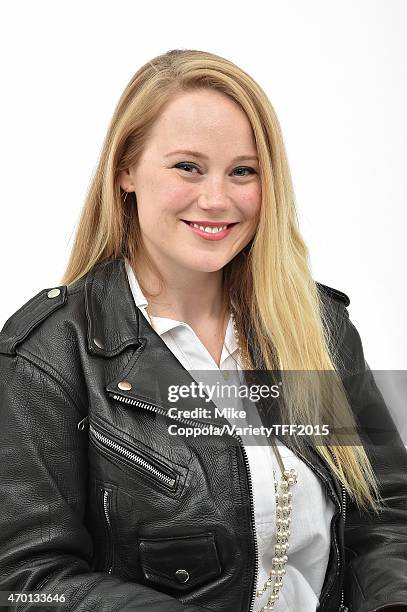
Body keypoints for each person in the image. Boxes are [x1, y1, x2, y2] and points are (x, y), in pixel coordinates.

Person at [0, 49, 406, 612]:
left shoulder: (318, 329)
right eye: (187, 167)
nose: (217, 199)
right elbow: (24, 579)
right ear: (126, 170)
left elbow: (384, 514)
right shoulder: (49, 354)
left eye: (243, 171)